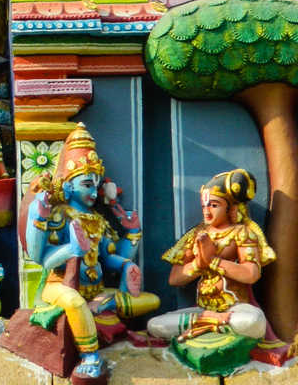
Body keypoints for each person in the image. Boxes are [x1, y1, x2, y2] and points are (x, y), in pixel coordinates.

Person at [22, 124, 159, 382]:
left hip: (95, 290)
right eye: (87, 184)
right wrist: (71, 250)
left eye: (96, 185)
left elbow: (109, 258)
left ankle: (102, 305)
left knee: (151, 300)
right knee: (73, 302)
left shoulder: (97, 219)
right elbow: (44, 259)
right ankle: (90, 356)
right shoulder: (59, 215)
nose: (94, 192)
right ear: (69, 186)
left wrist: (132, 238)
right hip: (57, 285)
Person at [147, 169, 273, 343]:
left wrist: (213, 261)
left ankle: (208, 324)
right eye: (204, 206)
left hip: (235, 309)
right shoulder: (197, 234)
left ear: (231, 208)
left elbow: (251, 274)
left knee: (255, 322)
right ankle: (209, 320)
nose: (207, 211)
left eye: (214, 205)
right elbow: (175, 279)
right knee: (155, 325)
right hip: (203, 310)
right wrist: (199, 264)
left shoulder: (241, 233)